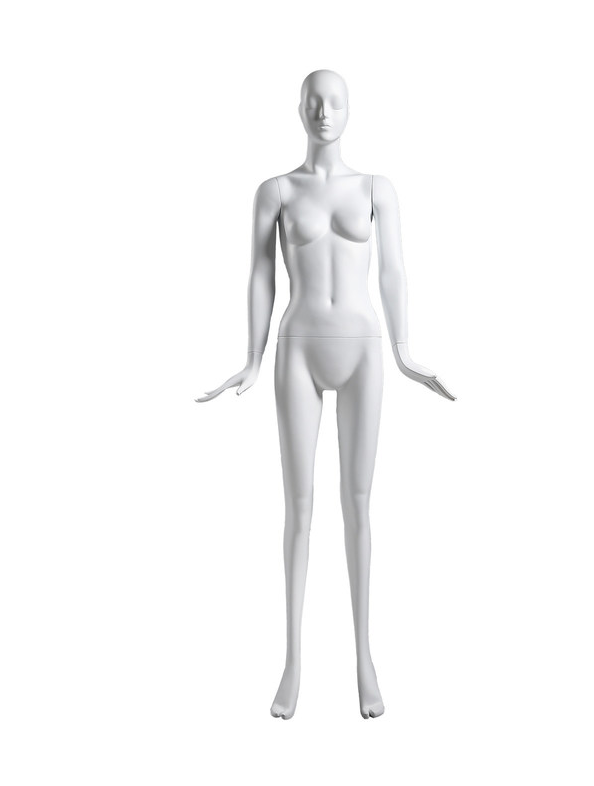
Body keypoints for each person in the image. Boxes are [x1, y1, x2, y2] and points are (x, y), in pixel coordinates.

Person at [196, 69, 455, 719]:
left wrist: (405, 349)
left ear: (349, 110)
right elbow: (259, 275)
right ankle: (292, 663)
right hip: (299, 350)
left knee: (359, 506)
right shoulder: (276, 191)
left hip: (363, 347)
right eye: (314, 101)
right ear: (299, 109)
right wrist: (251, 358)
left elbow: (394, 271)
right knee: (299, 508)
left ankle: (365, 658)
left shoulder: (377, 189)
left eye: (335, 101)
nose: (323, 111)